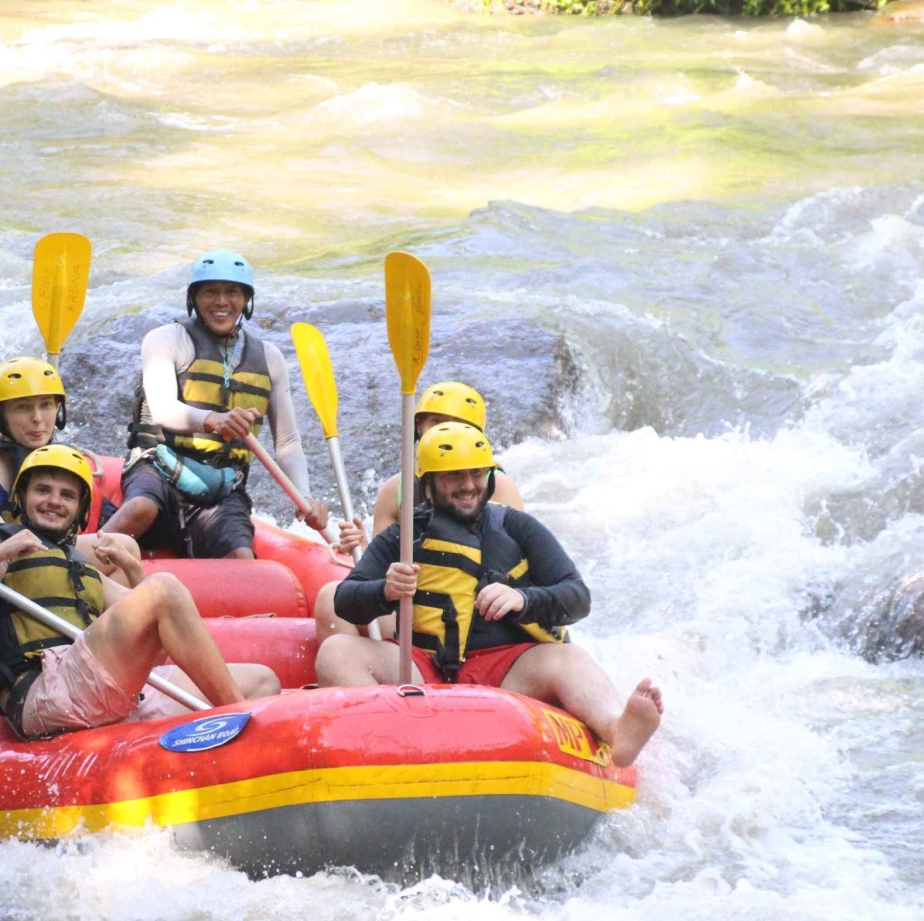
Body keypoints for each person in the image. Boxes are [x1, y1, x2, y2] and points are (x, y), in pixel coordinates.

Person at [314, 422, 662, 767]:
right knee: (336, 652)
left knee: (569, 659)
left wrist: (524, 599)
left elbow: (577, 597)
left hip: (507, 672)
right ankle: (388, 747)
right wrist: (385, 590)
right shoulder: (403, 537)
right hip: (422, 668)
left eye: (477, 473)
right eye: (453, 476)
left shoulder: (517, 527)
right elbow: (346, 600)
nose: (468, 485)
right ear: (428, 483)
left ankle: (616, 729)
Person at [0, 444, 279, 737]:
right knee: (164, 587)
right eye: (42, 490)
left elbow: (159, 644)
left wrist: (134, 570)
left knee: (263, 680)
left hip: (91, 684)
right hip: (42, 691)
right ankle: (242, 719)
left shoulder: (76, 564)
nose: (54, 501)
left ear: (80, 510)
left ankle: (221, 757)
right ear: (21, 498)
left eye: (67, 495)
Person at [102, 250, 328, 558]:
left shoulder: (270, 358)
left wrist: (304, 497)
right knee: (140, 507)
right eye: (210, 291)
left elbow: (287, 441)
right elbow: (163, 409)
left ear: (246, 300)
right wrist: (214, 419)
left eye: (232, 292)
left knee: (241, 557)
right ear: (193, 298)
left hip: (222, 487)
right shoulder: (165, 339)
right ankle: (84, 562)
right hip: (159, 467)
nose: (222, 302)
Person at [315, 380, 525, 643]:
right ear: (419, 427)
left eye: (459, 425)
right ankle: (374, 665)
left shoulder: (497, 486)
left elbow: (514, 568)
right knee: (329, 598)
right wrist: (364, 547)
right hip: (415, 604)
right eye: (436, 422)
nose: (446, 433)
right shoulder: (395, 490)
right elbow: (383, 569)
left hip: (477, 611)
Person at [0, 356, 142, 585]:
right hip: (6, 569)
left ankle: (86, 606)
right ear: (1, 416)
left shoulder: (57, 460)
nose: (37, 419)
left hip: (49, 552)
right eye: (23, 407)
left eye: (46, 405)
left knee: (126, 547)